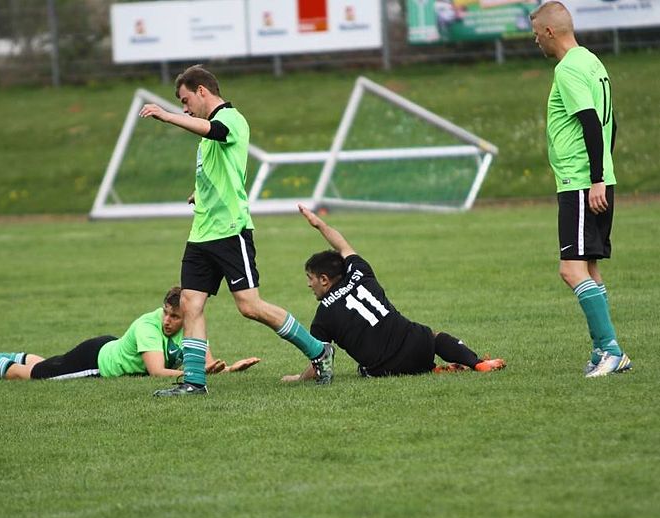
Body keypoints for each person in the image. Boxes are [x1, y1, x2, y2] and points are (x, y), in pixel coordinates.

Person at [138, 65, 334, 396]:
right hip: (201, 232)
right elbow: (222, 170)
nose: (184, 108)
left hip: (230, 230)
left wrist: (167, 116)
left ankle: (319, 351)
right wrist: (200, 192)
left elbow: (212, 129)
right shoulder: (207, 137)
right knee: (190, 303)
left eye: (185, 100)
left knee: (249, 306)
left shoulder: (231, 119)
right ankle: (194, 382)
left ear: (202, 91)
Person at [281, 205, 506, 382]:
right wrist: (319, 224)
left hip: (383, 369)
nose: (309, 285)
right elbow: (343, 247)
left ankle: (433, 370)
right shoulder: (360, 272)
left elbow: (321, 364)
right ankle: (478, 363)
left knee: (364, 369)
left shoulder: (323, 316)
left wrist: (298, 378)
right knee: (435, 337)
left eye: (310, 278)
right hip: (417, 346)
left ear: (324, 279)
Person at [530, 2, 632, 378]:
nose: (536, 41)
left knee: (570, 270)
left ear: (550, 32)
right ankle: (601, 350)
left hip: (580, 182)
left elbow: (590, 121)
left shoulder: (569, 67)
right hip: (595, 179)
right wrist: (604, 173)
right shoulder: (592, 62)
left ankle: (611, 350)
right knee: (589, 267)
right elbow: (611, 123)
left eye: (536, 34)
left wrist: (594, 178)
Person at [0, 287, 260, 383]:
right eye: (167, 314)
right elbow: (157, 371)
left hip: (103, 349)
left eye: (176, 317)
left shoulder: (193, 326)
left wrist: (229, 368)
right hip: (96, 361)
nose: (169, 321)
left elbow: (206, 363)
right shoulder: (149, 326)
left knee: (45, 364)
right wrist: (194, 374)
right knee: (29, 375)